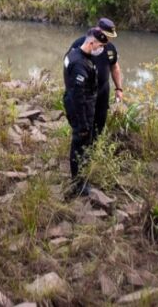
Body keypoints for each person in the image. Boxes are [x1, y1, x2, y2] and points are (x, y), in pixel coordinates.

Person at [63, 27, 109, 196]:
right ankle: (78, 184)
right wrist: (83, 124)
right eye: (100, 46)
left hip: (82, 105)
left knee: (82, 145)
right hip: (80, 110)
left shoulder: (79, 55)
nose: (101, 50)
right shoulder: (79, 64)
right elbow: (78, 98)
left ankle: (81, 178)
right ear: (91, 43)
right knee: (79, 145)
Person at [69, 18, 123, 141]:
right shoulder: (81, 44)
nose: (109, 39)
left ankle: (94, 148)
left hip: (102, 92)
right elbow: (69, 68)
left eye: (111, 37)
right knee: (83, 124)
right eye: (107, 35)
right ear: (98, 31)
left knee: (100, 123)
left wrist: (119, 88)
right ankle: (81, 150)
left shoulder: (110, 49)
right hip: (85, 94)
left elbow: (115, 67)